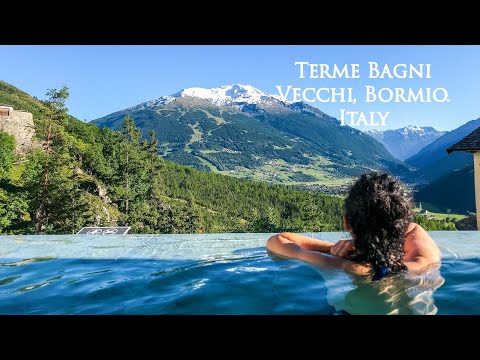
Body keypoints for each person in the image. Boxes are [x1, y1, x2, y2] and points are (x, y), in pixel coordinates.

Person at [266, 172, 441, 281]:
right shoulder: (425, 260)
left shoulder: (342, 265)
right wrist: (367, 244)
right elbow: (412, 228)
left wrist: (338, 249)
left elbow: (278, 240)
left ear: (346, 222)